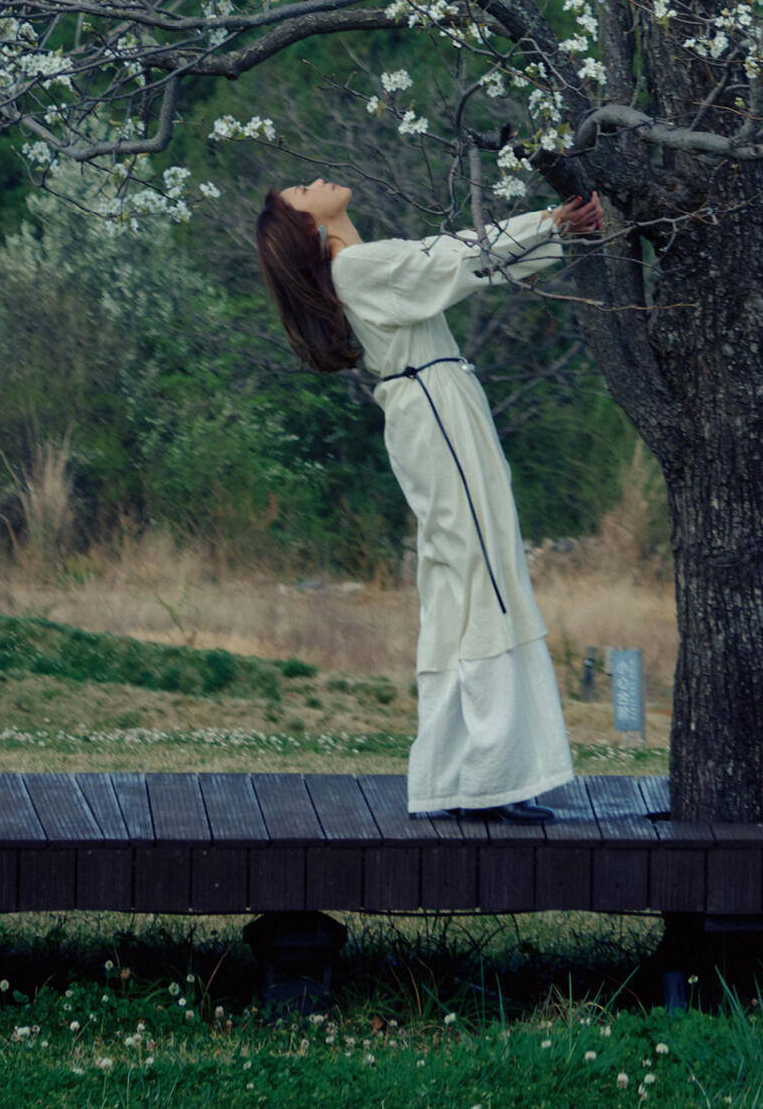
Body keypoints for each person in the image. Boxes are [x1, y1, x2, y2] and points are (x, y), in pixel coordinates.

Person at [256, 173, 600, 816]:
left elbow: (446, 259)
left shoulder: (360, 264)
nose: (314, 181)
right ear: (309, 227)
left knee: (460, 585)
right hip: (436, 413)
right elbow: (454, 258)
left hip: (431, 409)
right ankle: (489, 778)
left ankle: (463, 775)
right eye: (301, 192)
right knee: (484, 580)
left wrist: (552, 229)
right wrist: (551, 223)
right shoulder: (357, 265)